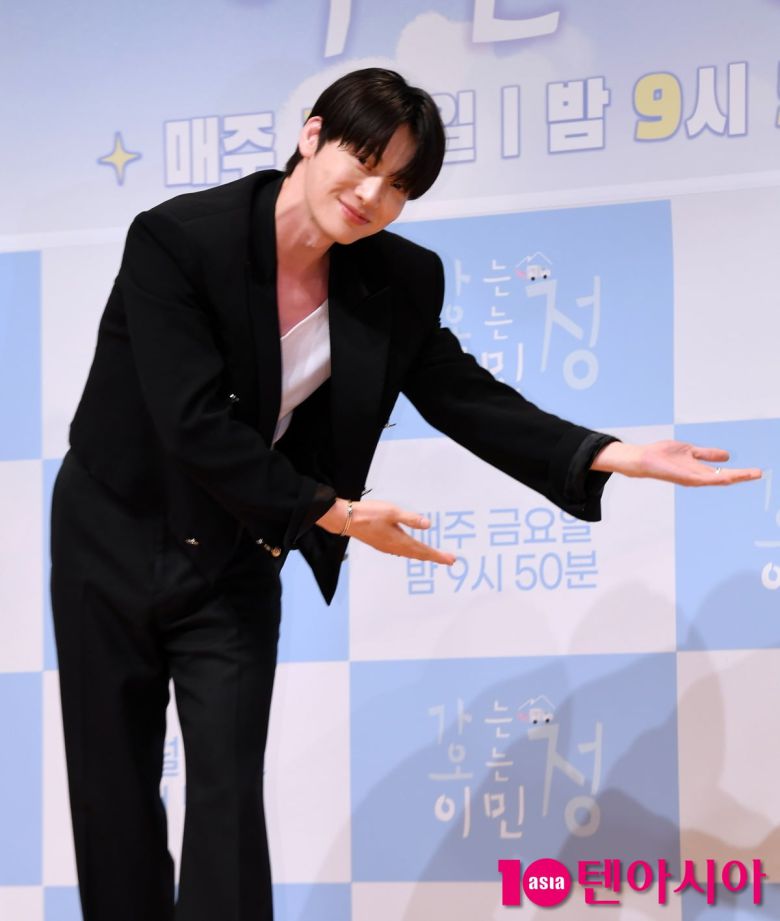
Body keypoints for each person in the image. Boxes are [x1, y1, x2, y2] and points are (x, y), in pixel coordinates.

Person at [50, 68, 760, 921]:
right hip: (112, 531)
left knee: (229, 795)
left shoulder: (397, 278)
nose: (372, 196)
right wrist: (337, 513)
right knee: (114, 786)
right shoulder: (178, 240)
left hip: (237, 547)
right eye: (363, 162)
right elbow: (192, 421)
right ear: (312, 136)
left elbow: (463, 394)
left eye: (398, 186)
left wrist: (614, 454)